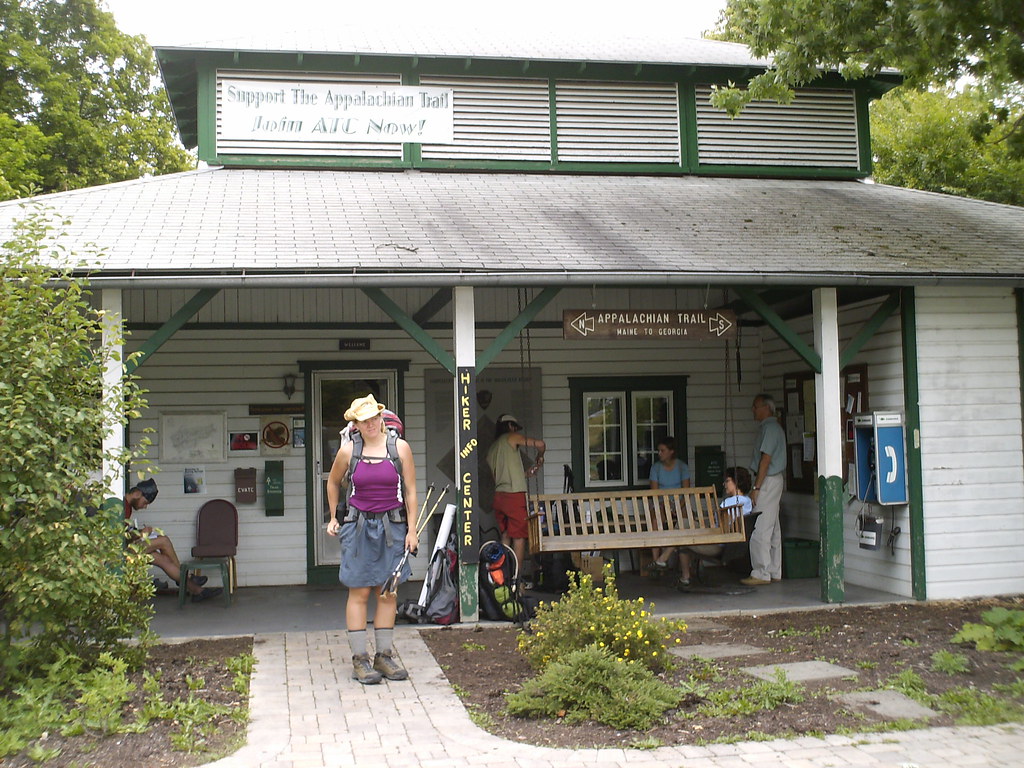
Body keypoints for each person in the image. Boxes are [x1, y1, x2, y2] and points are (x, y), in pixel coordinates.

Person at [326, 394, 419, 685]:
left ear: (381, 418)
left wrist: (412, 530)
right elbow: (332, 482)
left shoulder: (400, 449)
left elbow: (411, 490)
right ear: (356, 423)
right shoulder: (348, 451)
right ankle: (360, 660)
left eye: (374, 418)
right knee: (360, 592)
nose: (370, 424)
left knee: (387, 592)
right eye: (364, 420)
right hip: (358, 527)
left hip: (392, 527)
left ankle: (384, 656)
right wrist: (333, 517)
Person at [112, 478, 222, 602]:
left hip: (127, 548)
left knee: (163, 559)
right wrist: (139, 534)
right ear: (137, 493)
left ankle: (197, 591)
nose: (145, 507)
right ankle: (186, 577)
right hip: (117, 552)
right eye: (145, 502)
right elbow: (117, 536)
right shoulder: (119, 505)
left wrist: (138, 534)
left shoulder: (127, 507)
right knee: (163, 541)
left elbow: (125, 533)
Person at [485, 413, 545, 580]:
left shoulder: (492, 449)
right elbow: (540, 444)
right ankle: (517, 579)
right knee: (519, 537)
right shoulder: (511, 437)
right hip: (514, 495)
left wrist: (526, 473)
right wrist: (540, 456)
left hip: (499, 496)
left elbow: (499, 475)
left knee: (506, 536)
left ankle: (503, 575)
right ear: (510, 427)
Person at [677, 466, 753, 588]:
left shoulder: (728, 504)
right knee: (685, 527)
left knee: (682, 535)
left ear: (736, 481)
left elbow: (721, 529)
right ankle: (663, 560)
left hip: (718, 546)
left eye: (727, 481)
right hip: (734, 547)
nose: (724, 484)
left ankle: (684, 577)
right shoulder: (748, 502)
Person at [741, 394, 788, 586]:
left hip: (767, 481)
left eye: (755, 406)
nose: (753, 410)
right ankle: (775, 570)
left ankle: (761, 572)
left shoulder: (770, 429)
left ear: (766, 408)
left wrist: (756, 487)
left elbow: (765, 460)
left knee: (760, 526)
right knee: (773, 526)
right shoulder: (773, 428)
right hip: (773, 480)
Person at [647, 436, 692, 572]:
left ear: (671, 451)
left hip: (679, 502)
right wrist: (667, 505)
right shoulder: (656, 468)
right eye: (658, 451)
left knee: (686, 521)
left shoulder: (682, 467)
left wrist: (677, 505)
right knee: (655, 521)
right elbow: (654, 492)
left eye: (662, 450)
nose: (659, 453)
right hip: (661, 502)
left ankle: (686, 563)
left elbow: (686, 491)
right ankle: (657, 562)